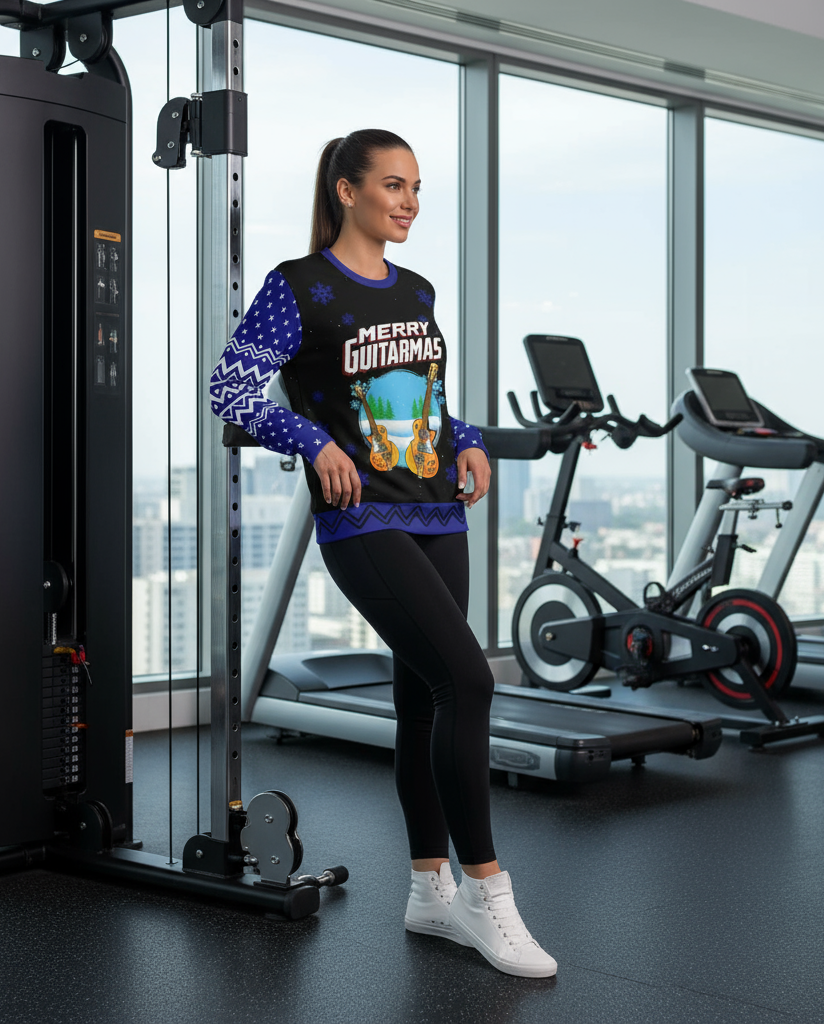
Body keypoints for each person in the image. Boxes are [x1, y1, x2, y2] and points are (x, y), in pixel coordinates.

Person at [209, 129, 556, 979]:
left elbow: (425, 399)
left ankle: (427, 890)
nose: (408, 202)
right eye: (393, 186)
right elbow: (230, 384)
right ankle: (488, 893)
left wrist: (468, 438)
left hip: (440, 508)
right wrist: (308, 440)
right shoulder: (300, 288)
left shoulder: (417, 289)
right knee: (470, 679)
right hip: (364, 519)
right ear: (346, 190)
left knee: (425, 705)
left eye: (416, 188)